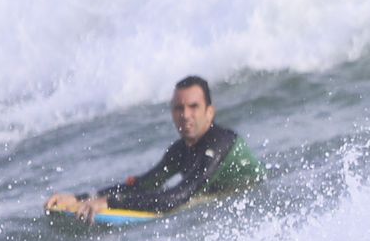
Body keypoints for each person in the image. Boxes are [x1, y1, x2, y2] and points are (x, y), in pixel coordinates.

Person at [44, 75, 265, 223]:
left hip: (255, 208)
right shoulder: (180, 149)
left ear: (210, 112)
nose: (185, 115)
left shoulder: (220, 143)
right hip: (222, 205)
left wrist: (109, 203)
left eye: (194, 107)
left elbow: (177, 197)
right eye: (179, 108)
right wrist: (80, 198)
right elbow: (143, 184)